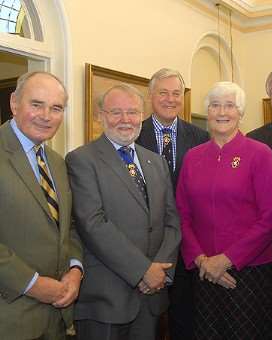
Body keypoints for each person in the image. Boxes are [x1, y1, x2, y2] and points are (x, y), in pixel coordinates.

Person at [66, 84, 181, 340]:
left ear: (143, 115)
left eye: (133, 112)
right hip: (106, 300)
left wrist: (159, 272)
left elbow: (172, 221)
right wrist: (143, 270)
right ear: (101, 116)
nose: (126, 119)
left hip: (151, 297)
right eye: (116, 112)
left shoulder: (156, 162)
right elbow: (93, 223)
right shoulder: (82, 160)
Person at [176, 81, 272, 339]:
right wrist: (202, 260)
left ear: (240, 113)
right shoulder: (193, 157)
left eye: (229, 106)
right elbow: (181, 214)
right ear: (207, 112)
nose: (222, 112)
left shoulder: (259, 153)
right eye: (215, 106)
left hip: (248, 273)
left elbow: (270, 217)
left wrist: (226, 260)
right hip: (203, 273)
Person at [0, 71, 83, 339]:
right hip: (10, 318)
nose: (46, 115)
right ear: (14, 103)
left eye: (56, 108)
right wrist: (32, 284)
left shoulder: (57, 162)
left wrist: (75, 269)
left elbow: (67, 226)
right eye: (36, 104)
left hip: (57, 319)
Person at [136, 68, 208, 340]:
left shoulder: (200, 137)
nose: (170, 99)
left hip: (190, 245)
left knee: (185, 319)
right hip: (146, 246)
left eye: (176, 93)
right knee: (148, 323)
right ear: (150, 96)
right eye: (163, 93)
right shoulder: (134, 133)